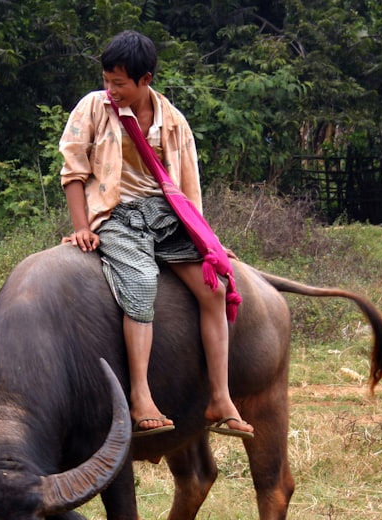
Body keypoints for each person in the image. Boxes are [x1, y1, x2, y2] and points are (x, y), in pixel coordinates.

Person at [59, 30, 253, 440]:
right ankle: (141, 396)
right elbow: (73, 170)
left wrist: (208, 242)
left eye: (120, 83)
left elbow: (188, 189)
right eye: (107, 80)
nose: (111, 90)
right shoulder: (93, 107)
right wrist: (81, 227)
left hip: (165, 216)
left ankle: (220, 398)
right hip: (116, 217)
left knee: (215, 288)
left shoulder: (173, 121)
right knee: (142, 283)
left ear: (145, 80)